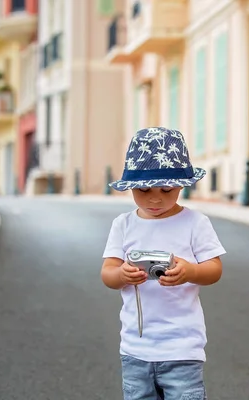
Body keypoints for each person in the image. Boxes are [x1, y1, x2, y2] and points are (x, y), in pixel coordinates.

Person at [101, 127, 226, 400]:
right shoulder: (123, 225)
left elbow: (214, 269)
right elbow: (107, 274)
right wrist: (122, 274)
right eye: (143, 189)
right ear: (131, 187)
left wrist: (190, 271)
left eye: (166, 189)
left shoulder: (195, 223)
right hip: (136, 347)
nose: (155, 198)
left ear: (182, 185)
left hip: (182, 347)